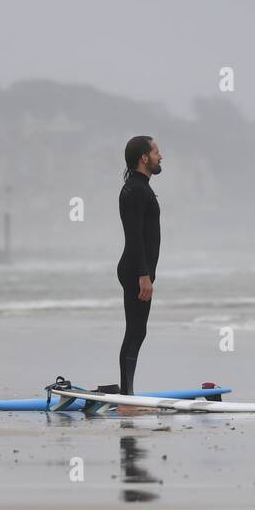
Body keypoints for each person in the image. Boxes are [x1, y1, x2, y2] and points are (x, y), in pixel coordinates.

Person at [116, 135, 162, 396]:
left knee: (137, 331)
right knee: (135, 331)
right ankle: (126, 398)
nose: (160, 156)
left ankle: (127, 394)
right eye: (156, 152)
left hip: (139, 270)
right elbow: (134, 236)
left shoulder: (140, 187)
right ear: (144, 157)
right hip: (136, 270)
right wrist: (144, 275)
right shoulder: (135, 190)